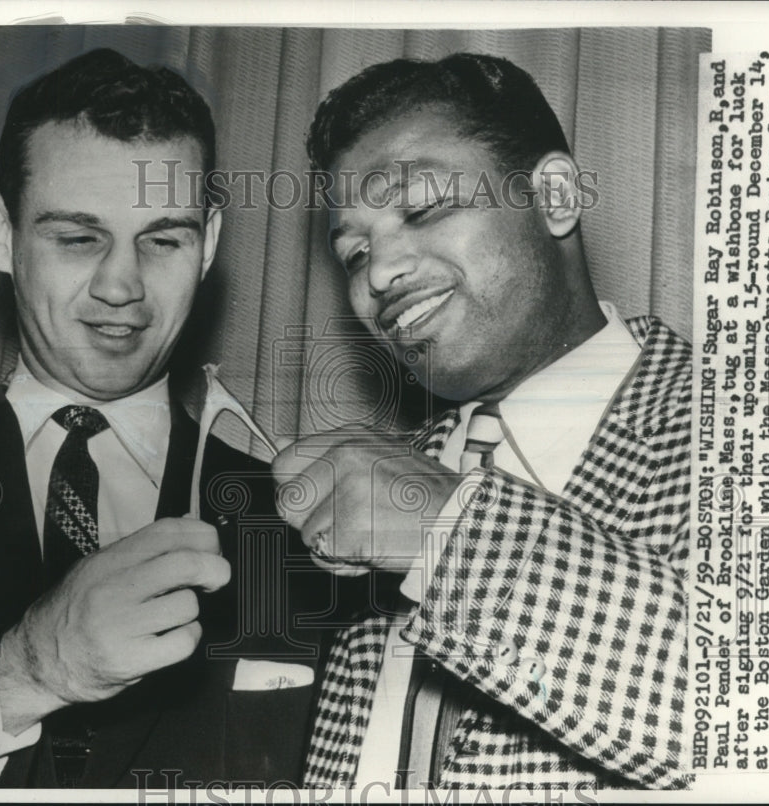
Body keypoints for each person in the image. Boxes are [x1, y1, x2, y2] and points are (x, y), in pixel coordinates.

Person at [0, 48, 328, 789]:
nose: (122, 286)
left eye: (164, 239)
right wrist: (26, 673)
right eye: (78, 238)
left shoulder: (301, 526)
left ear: (208, 243)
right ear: (0, 233)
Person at [272, 53, 691, 791]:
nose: (377, 276)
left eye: (424, 209)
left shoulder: (762, 436)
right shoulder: (371, 495)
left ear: (555, 196)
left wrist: (454, 530)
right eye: (355, 252)